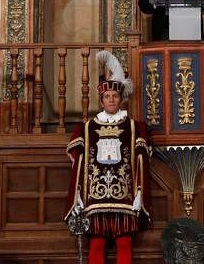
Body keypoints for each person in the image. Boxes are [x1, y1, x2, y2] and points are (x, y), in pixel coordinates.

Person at [65, 51, 151, 264]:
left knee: (124, 244)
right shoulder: (87, 127)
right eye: (107, 97)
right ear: (101, 100)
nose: (111, 100)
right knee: (96, 245)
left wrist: (139, 192)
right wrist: (78, 194)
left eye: (115, 96)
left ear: (121, 99)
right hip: (95, 199)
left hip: (125, 197)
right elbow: (80, 162)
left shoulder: (134, 126)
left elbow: (141, 161)